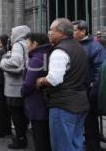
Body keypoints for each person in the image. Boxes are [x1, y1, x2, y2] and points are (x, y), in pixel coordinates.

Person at [36, 18, 89, 151]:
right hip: (80, 103)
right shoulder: (79, 47)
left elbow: (54, 79)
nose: (48, 33)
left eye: (51, 30)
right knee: (76, 144)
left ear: (60, 33)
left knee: (62, 146)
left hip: (63, 106)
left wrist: (41, 80)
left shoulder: (60, 51)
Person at [72, 20, 106, 151]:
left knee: (90, 123)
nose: (72, 33)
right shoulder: (73, 44)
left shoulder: (95, 47)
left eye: (74, 30)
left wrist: (92, 89)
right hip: (75, 90)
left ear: (83, 31)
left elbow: (99, 71)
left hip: (88, 91)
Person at [0, 25, 30, 149]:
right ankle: (21, 137)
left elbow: (16, 63)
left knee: (16, 114)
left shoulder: (18, 45)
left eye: (12, 33)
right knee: (21, 114)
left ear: (18, 34)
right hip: (20, 85)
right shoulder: (26, 43)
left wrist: (3, 61)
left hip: (14, 87)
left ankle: (20, 139)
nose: (11, 36)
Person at [21, 32, 51, 151]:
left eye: (28, 42)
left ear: (35, 43)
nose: (26, 45)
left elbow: (28, 83)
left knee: (40, 138)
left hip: (37, 103)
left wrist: (22, 91)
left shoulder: (36, 59)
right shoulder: (46, 54)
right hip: (45, 101)